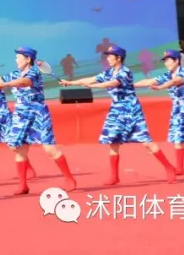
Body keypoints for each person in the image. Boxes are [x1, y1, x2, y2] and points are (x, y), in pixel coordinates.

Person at [0, 47, 76, 195]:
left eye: (18, 57)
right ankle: (23, 185)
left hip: (38, 113)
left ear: (28, 59)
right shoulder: (15, 73)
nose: (16, 60)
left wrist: (4, 85)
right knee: (17, 147)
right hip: (21, 114)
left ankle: (69, 178)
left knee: (49, 149)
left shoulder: (34, 73)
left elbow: (24, 82)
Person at [61, 45, 176, 185]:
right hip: (116, 109)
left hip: (131, 109)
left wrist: (96, 86)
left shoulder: (125, 72)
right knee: (113, 143)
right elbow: (92, 79)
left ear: (119, 58)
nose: (108, 58)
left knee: (146, 141)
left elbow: (113, 83)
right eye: (107, 56)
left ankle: (169, 168)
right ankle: (115, 177)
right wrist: (70, 82)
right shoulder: (109, 72)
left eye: (110, 56)